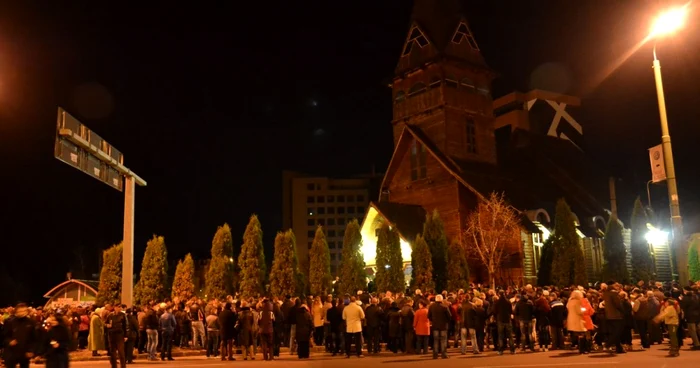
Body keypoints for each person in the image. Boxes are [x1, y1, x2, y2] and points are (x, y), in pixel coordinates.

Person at [3, 303, 37, 368]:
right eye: (20, 311)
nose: (22, 313)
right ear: (16, 311)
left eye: (24, 311)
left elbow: (34, 338)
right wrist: (9, 341)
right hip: (11, 353)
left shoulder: (31, 322)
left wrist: (31, 350)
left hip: (25, 353)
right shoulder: (9, 322)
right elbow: (4, 336)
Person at [105, 304, 128, 368]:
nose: (119, 309)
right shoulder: (110, 315)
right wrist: (107, 325)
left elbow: (125, 325)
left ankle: (123, 366)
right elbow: (105, 323)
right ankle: (114, 366)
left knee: (121, 352)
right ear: (115, 308)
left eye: (120, 307)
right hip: (111, 335)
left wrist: (126, 335)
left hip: (120, 335)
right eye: (118, 307)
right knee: (112, 352)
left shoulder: (123, 315)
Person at [428, 294, 451, 359]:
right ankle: (443, 354)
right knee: (443, 340)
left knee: (435, 340)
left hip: (435, 325)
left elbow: (428, 316)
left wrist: (433, 320)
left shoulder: (431, 306)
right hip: (443, 326)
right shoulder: (445, 307)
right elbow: (449, 317)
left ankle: (435, 354)